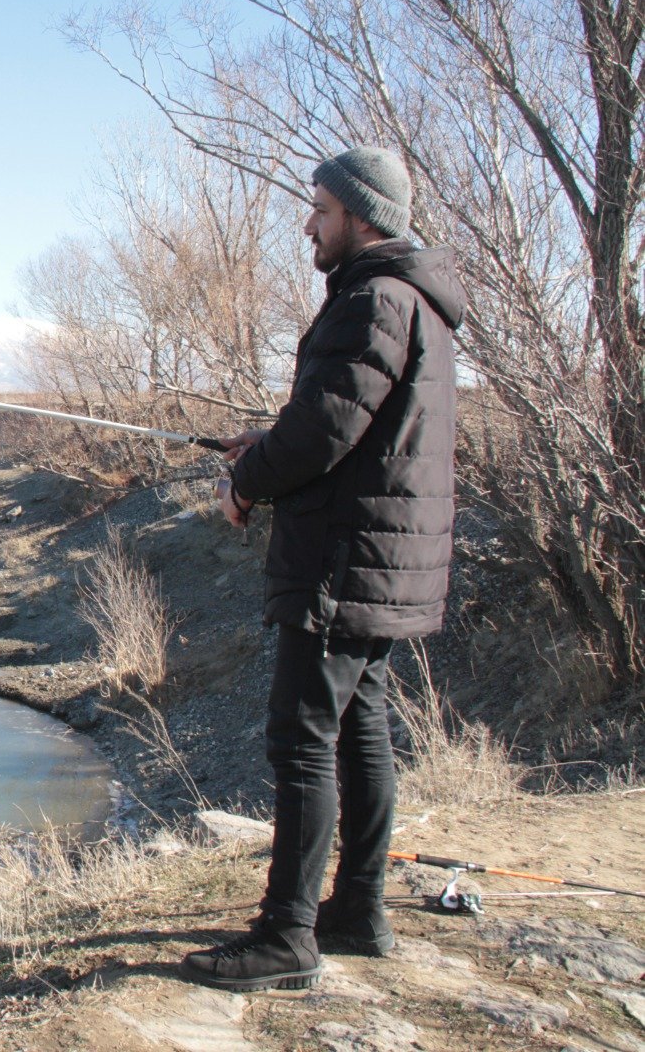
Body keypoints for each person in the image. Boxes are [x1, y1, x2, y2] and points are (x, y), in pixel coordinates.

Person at [179, 147, 466, 992]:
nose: (309, 222)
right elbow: (343, 425)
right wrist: (262, 446)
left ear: (362, 214)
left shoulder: (372, 299)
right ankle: (357, 912)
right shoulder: (412, 299)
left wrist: (246, 480)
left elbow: (323, 435)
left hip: (345, 560)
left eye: (320, 210)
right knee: (358, 728)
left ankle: (287, 935)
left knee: (301, 740)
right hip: (381, 559)